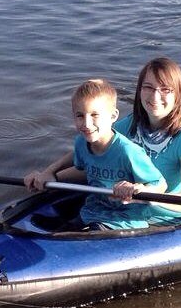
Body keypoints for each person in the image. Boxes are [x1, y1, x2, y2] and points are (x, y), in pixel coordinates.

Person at [25, 57, 181, 225]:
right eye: (148, 87)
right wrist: (50, 175)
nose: (155, 96)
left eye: (165, 89)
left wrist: (147, 195)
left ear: (178, 94)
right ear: (139, 89)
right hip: (122, 206)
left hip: (160, 215)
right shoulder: (130, 124)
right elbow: (92, 156)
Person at [45, 78, 166, 230]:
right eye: (80, 116)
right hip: (92, 211)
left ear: (113, 116)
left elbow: (160, 184)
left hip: (124, 219)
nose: (87, 124)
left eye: (94, 115)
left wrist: (138, 188)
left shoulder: (128, 151)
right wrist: (49, 174)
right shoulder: (81, 143)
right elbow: (78, 167)